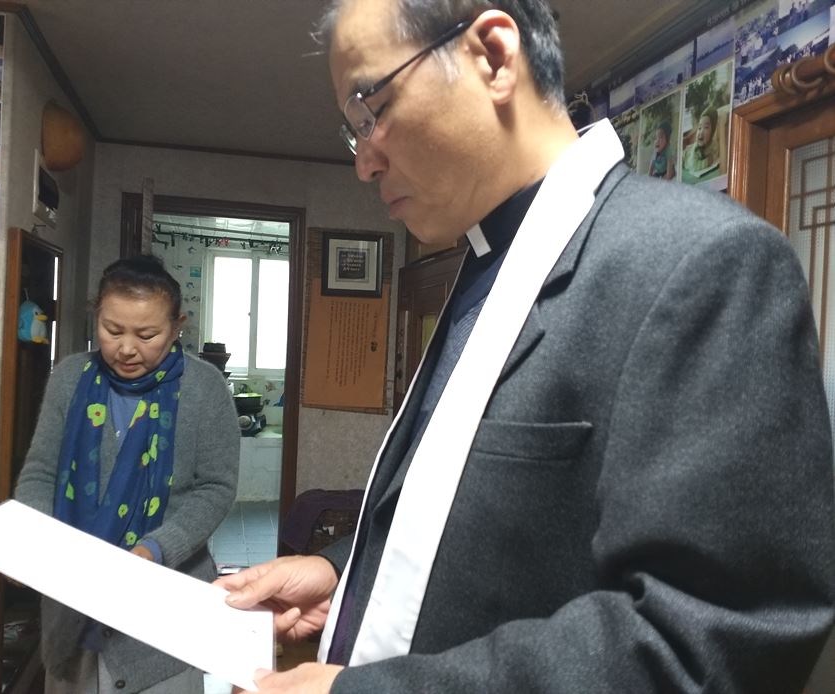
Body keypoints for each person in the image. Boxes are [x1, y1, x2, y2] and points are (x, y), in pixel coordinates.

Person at [217, 2, 835, 693]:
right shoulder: (487, 260)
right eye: (353, 128)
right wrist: (343, 572)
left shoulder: (701, 261)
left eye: (372, 110)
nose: (364, 162)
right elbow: (479, 515)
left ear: (491, 56)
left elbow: (714, 640)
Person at [14, 254, 240, 694]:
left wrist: (155, 550)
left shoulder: (204, 387)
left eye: (147, 334)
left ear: (177, 327)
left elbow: (215, 489)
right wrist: (33, 542)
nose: (126, 348)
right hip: (72, 604)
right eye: (112, 330)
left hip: (164, 617)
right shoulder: (70, 378)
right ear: (96, 315)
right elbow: (40, 473)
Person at [682, 107, 720, 178]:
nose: (701, 132)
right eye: (699, 128)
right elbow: (693, 166)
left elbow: (715, 154)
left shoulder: (713, 144)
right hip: (686, 156)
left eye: (706, 127)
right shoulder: (696, 148)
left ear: (712, 131)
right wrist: (706, 162)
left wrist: (712, 157)